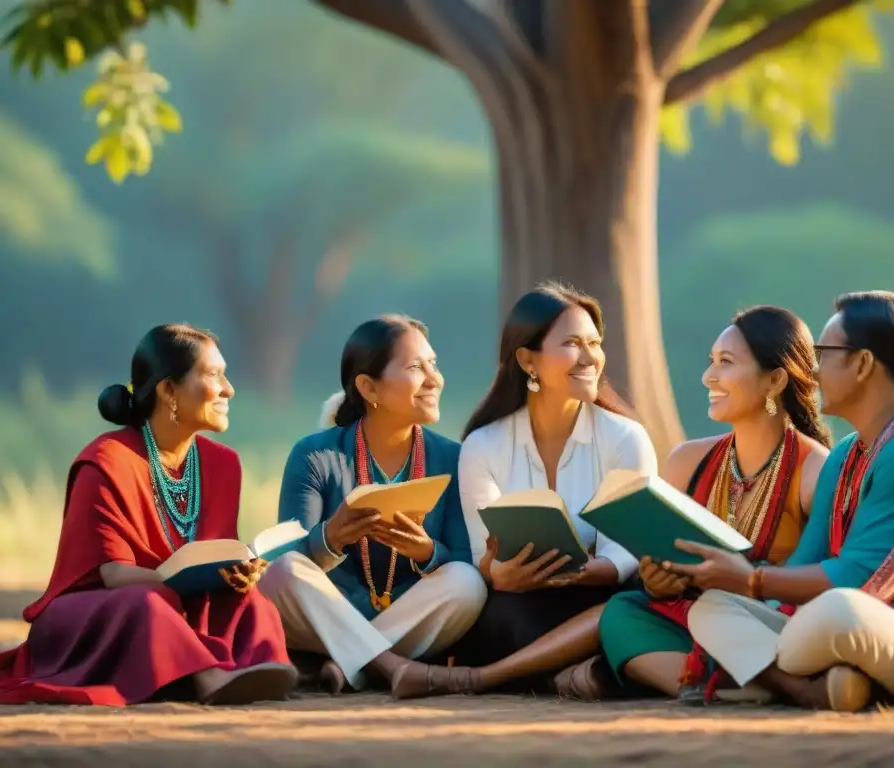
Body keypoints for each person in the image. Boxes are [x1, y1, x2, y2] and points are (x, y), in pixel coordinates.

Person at [669, 291, 894, 711]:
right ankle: (814, 689)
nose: (813, 372)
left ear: (862, 363)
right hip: (871, 624)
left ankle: (787, 678)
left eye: (823, 354)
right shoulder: (846, 453)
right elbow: (806, 563)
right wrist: (735, 588)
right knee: (713, 609)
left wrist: (749, 579)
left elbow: (864, 580)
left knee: (838, 612)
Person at [0, 324, 296, 706]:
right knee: (148, 603)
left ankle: (257, 668)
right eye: (213, 375)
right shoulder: (106, 460)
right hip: (103, 611)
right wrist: (177, 581)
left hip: (178, 604)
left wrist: (236, 572)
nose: (229, 389)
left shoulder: (224, 464)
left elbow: (213, 554)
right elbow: (114, 574)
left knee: (251, 601)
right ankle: (207, 677)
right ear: (168, 390)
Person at [598, 306, 830, 701]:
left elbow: (824, 577)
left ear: (775, 380)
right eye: (711, 362)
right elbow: (661, 563)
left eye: (726, 363)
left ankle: (733, 681)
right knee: (623, 611)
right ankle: (734, 686)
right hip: (695, 614)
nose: (709, 377)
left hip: (768, 620)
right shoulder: (687, 460)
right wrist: (656, 581)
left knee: (749, 621)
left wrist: (746, 582)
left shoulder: (813, 469)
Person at [443, 282, 658, 696]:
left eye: (595, 343)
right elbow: (481, 557)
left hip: (600, 592)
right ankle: (573, 672)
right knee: (498, 614)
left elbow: (624, 553)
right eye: (573, 343)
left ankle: (551, 673)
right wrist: (498, 573)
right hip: (521, 598)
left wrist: (574, 573)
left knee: (626, 608)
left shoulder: (625, 438)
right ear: (527, 359)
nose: (590, 357)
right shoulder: (483, 445)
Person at [259, 315, 487, 699]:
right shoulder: (315, 454)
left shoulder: (452, 457)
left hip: (409, 613)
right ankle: (393, 666)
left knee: (467, 584)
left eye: (434, 364)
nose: (434, 379)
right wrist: (329, 539)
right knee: (283, 571)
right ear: (368, 387)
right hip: (323, 611)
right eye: (416, 367)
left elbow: (463, 556)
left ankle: (347, 664)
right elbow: (284, 556)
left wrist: (427, 553)